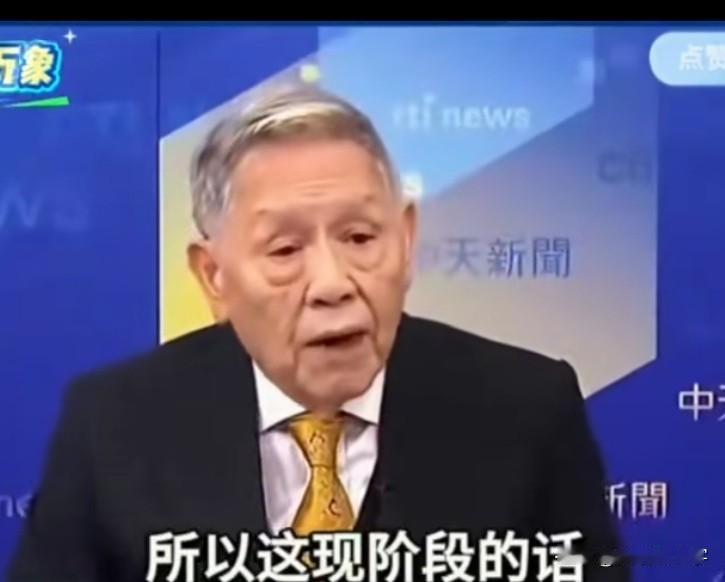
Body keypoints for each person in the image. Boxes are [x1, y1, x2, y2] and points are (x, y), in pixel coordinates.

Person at [8, 87, 629, 581]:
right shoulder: (114, 423)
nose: (332, 283)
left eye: (360, 238)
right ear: (214, 276)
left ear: (406, 240)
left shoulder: (526, 409)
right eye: (285, 250)